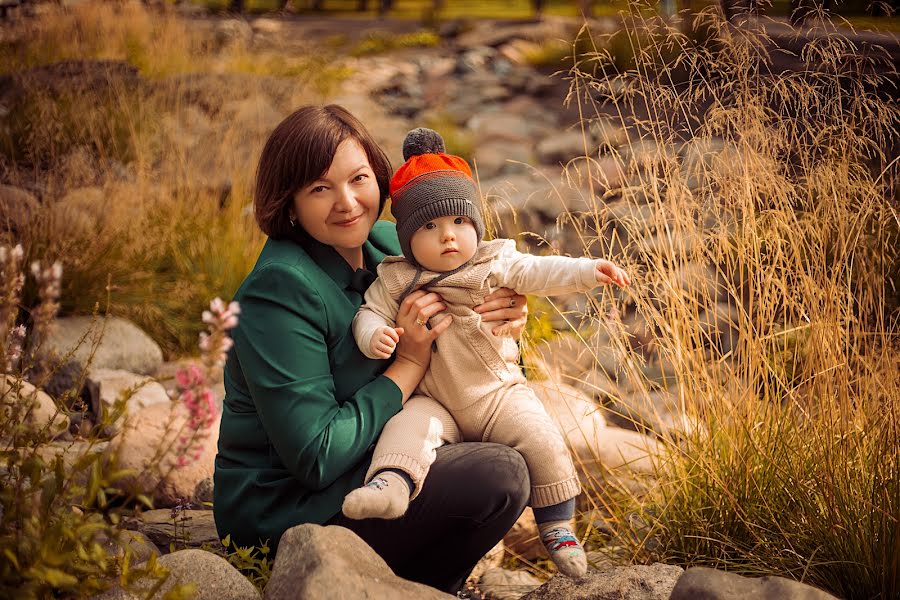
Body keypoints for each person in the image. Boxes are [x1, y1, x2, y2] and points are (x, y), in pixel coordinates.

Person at [213, 105, 532, 595]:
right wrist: (407, 366)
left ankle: (415, 587)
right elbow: (315, 455)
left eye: (358, 178)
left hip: (383, 460)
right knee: (496, 473)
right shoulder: (277, 291)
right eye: (320, 188)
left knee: (520, 434)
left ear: (379, 179)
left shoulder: (394, 245)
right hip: (289, 506)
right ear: (290, 204)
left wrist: (504, 323)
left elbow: (483, 371)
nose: (347, 202)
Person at [340, 128, 632, 580]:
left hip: (497, 393)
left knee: (541, 434)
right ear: (406, 237)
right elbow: (368, 312)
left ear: (476, 224)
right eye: (430, 228)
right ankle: (390, 486)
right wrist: (373, 335)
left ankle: (557, 524)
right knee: (406, 431)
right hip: (433, 396)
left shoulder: (495, 262)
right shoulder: (398, 277)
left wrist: (590, 270)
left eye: (459, 222)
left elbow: (542, 270)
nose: (448, 237)